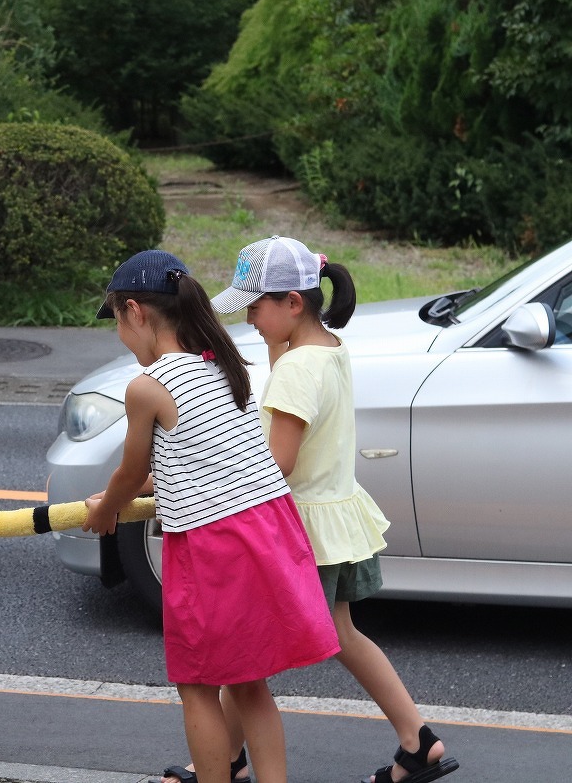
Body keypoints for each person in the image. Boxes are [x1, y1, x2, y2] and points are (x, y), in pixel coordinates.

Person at [199, 235, 460, 783]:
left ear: (292, 303)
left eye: (255, 304)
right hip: (336, 519)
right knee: (342, 635)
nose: (248, 317)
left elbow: (280, 462)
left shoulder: (296, 368)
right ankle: (419, 740)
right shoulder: (328, 350)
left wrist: (209, 472)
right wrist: (276, 351)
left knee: (246, 656)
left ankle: (223, 762)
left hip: (297, 532)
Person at [82, 249, 339, 783]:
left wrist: (107, 508)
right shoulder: (218, 362)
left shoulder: (147, 387)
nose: (122, 339)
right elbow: (195, 456)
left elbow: (131, 473)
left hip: (212, 543)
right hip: (268, 525)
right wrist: (125, 494)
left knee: (197, 684)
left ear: (136, 312)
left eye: (117, 324)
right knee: (249, 682)